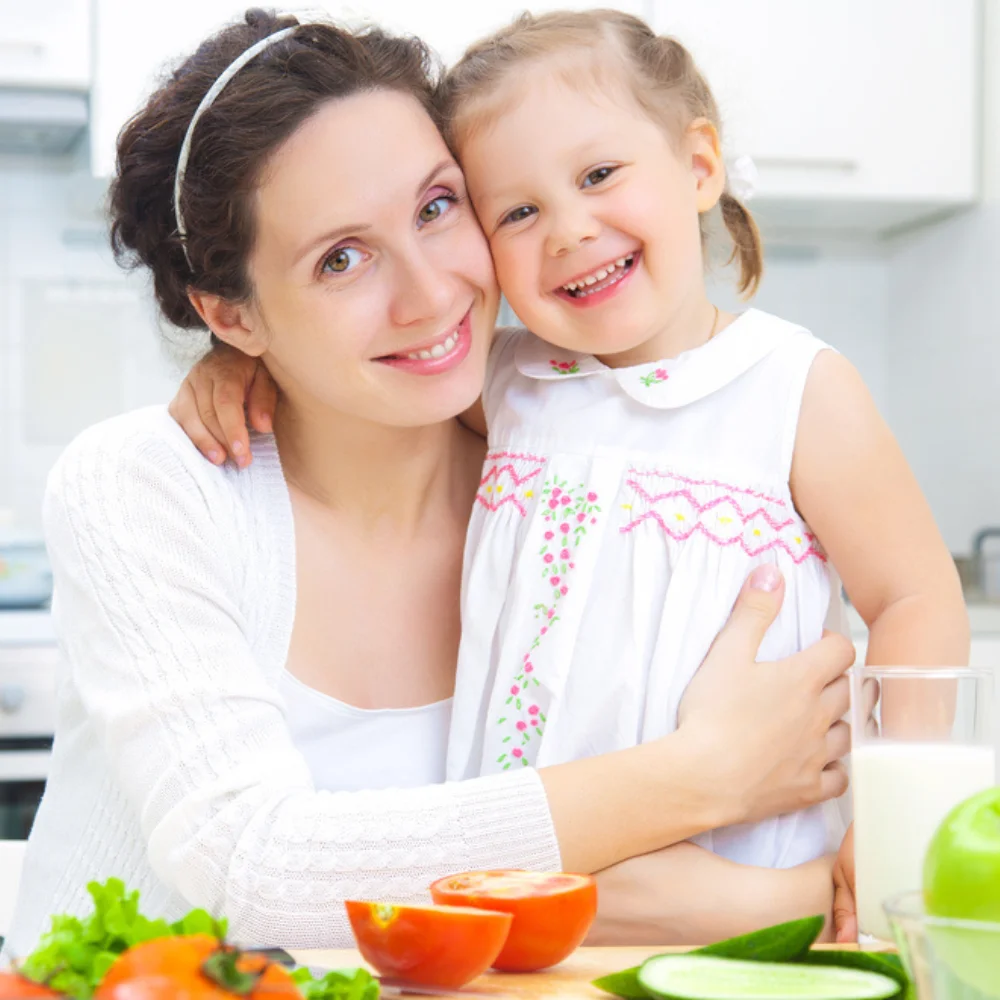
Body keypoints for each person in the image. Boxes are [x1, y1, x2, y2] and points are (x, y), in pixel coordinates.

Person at [17, 7, 855, 959]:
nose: (431, 294)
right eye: (340, 259)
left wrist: (777, 877)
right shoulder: (148, 485)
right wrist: (706, 775)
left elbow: (611, 880)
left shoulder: (575, 474)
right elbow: (256, 872)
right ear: (229, 315)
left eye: (436, 207)